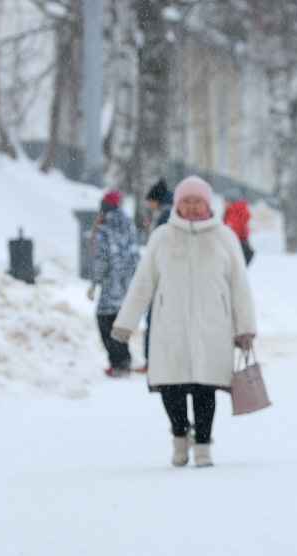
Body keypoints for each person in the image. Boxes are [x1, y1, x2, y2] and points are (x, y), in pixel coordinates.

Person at [110, 176, 256, 468]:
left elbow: (240, 285)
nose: (191, 207)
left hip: (212, 326)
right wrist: (125, 323)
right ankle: (179, 438)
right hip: (170, 328)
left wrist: (245, 329)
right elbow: (142, 284)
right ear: (177, 204)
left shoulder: (224, 237)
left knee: (206, 388)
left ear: (207, 203)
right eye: (186, 201)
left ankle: (203, 445)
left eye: (197, 201)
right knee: (170, 387)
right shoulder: (162, 236)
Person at [87, 190, 139, 378]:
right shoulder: (128, 225)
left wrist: (95, 282)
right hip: (127, 285)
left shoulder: (104, 228)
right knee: (119, 324)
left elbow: (103, 260)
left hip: (110, 286)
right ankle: (123, 360)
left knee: (105, 322)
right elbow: (135, 256)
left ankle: (119, 362)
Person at [138, 179, 173, 373]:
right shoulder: (171, 210)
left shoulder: (165, 214)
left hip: (162, 276)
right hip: (169, 277)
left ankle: (152, 361)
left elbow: (156, 246)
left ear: (156, 199)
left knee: (154, 318)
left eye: (150, 201)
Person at [223, 191, 253, 265]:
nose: (223, 203)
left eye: (225, 201)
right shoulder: (239, 212)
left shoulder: (233, 214)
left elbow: (230, 233)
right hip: (240, 246)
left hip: (233, 247)